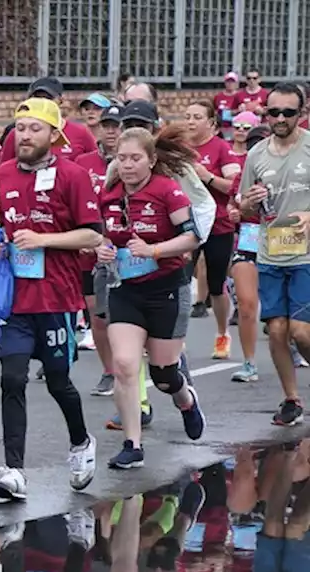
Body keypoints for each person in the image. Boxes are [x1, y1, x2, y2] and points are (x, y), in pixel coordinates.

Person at [0, 98, 99, 502]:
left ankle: (81, 441)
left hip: (57, 296)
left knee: (58, 381)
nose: (25, 136)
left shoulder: (73, 175)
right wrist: (3, 244)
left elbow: (92, 234)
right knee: (11, 378)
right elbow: (9, 224)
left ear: (54, 135)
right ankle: (14, 469)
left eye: (35, 128)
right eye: (20, 128)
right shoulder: (2, 174)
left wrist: (44, 240)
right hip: (17, 299)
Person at [97, 127, 207, 470]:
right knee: (126, 366)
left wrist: (154, 250)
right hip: (125, 290)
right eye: (122, 158)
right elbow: (104, 234)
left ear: (151, 160)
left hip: (166, 289)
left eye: (135, 158)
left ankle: (186, 400)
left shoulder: (167, 192)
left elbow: (192, 238)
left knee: (164, 376)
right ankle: (133, 444)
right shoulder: (110, 194)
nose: (128, 165)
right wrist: (101, 248)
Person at [239, 82, 310, 427]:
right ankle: (291, 399)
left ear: (302, 113)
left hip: (306, 255)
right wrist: (248, 203)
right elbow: (240, 208)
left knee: (301, 332)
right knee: (278, 330)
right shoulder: (256, 155)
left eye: (288, 112)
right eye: (274, 112)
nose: (280, 118)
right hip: (270, 252)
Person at [182, 99, 240, 350]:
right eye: (188, 116)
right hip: (186, 223)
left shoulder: (221, 148)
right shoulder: (179, 148)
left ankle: (222, 333)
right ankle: (175, 338)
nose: (191, 121)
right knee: (180, 281)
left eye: (197, 117)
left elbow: (235, 187)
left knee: (216, 285)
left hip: (218, 225)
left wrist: (207, 177)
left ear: (211, 123)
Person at [75, 104, 125, 396]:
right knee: (97, 314)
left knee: (128, 315)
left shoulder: (133, 162)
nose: (110, 130)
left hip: (124, 247)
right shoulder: (83, 162)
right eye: (106, 125)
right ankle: (109, 371)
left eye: (116, 125)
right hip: (91, 247)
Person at [226, 115, 268, 383]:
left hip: (283, 240)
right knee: (246, 304)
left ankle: (293, 344)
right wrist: (234, 212)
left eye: (261, 144)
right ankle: (249, 362)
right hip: (250, 238)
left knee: (285, 310)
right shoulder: (243, 176)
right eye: (252, 145)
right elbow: (232, 203)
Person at [0, 77, 98, 163]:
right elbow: (4, 171)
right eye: (37, 98)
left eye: (48, 98)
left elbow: (95, 164)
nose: (43, 102)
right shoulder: (16, 133)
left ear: (61, 100)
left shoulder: (80, 132)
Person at [215, 71, 241, 139]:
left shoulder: (240, 96)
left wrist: (235, 111)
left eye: (232, 82)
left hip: (234, 127)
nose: (230, 84)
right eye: (228, 81)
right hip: (221, 127)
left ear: (236, 83)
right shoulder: (219, 96)